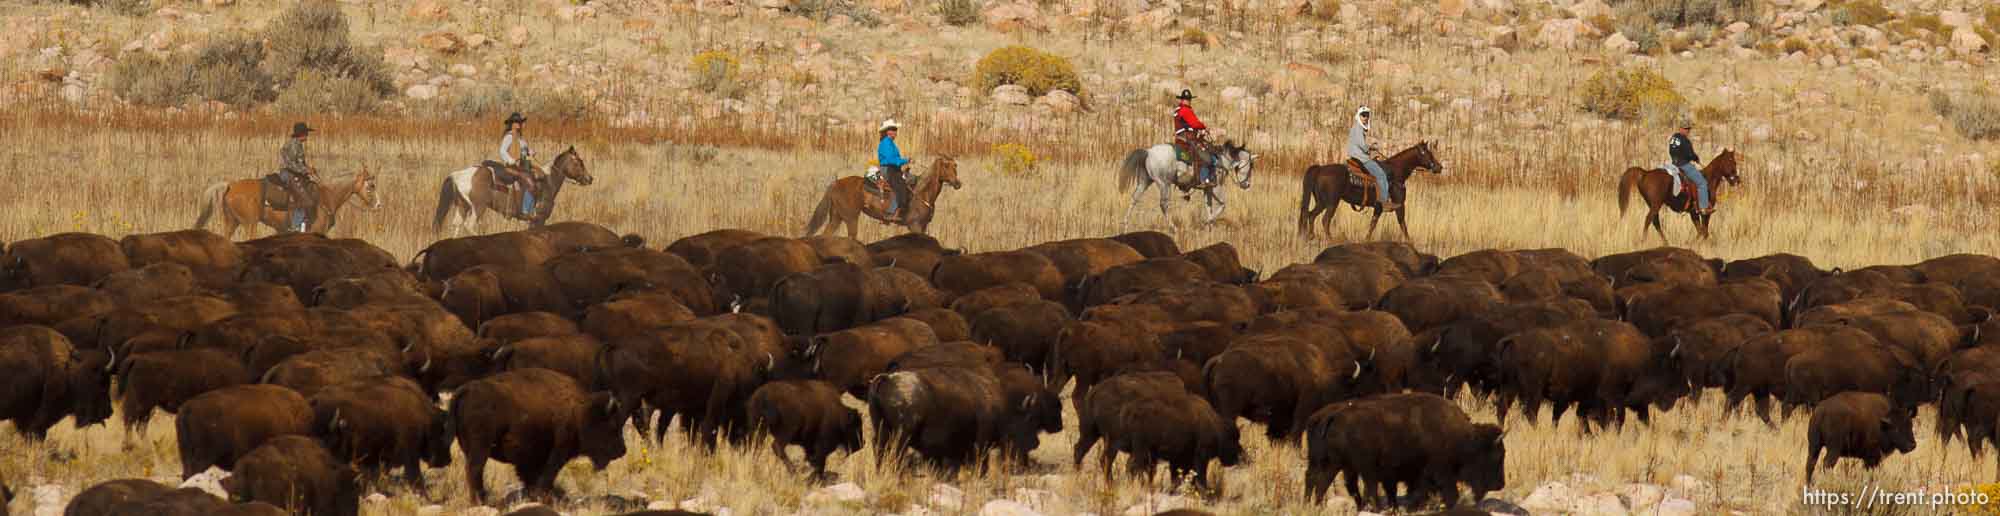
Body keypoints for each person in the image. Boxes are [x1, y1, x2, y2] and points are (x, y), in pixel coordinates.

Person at [481, 112, 539, 218]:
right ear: (512, 124)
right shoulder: (509, 137)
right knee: (529, 181)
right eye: (517, 122)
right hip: (512, 167)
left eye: (520, 122)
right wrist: (511, 160)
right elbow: (502, 151)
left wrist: (530, 152)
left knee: (538, 176)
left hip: (522, 166)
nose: (519, 124)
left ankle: (535, 205)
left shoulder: (520, 138)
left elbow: (524, 151)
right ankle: (526, 210)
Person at [1347, 106, 1399, 211]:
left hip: (1356, 156)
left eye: (1367, 115)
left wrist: (1370, 149)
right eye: (1363, 115)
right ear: (1358, 116)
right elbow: (1361, 145)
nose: (1366, 117)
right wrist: (1371, 149)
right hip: (1361, 158)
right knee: (1381, 175)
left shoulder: (1356, 127)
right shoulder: (1358, 128)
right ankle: (1384, 202)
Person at [277, 122, 318, 233]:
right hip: (288, 173)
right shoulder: (295, 145)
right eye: (306, 133)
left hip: (291, 173)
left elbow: (298, 163)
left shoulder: (296, 143)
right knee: (304, 200)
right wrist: (306, 170)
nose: (307, 135)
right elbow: (291, 164)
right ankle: (295, 228)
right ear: (302, 134)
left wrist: (308, 168)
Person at [1172, 89, 1216, 187]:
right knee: (1205, 157)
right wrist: (1204, 127)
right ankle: (1204, 179)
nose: (1188, 101)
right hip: (1187, 138)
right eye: (1186, 99)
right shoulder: (1186, 110)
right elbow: (1194, 123)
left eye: (1189, 99)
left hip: (1181, 137)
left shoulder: (1178, 110)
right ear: (1182, 100)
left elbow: (1188, 125)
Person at [1669, 120, 1711, 214]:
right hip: (1684, 165)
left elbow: (1671, 151)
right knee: (1702, 183)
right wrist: (1695, 158)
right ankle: (1704, 208)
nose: (1688, 131)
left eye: (1688, 129)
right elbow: (1690, 154)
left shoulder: (1673, 137)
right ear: (1681, 129)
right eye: (1686, 129)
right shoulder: (1685, 140)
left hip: (1673, 164)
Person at [877, 119, 911, 222]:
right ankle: (891, 212)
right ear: (888, 131)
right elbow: (891, 159)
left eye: (896, 129)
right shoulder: (886, 143)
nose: (896, 131)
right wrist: (905, 160)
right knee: (900, 186)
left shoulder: (890, 143)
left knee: (911, 180)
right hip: (888, 169)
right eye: (894, 129)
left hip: (893, 168)